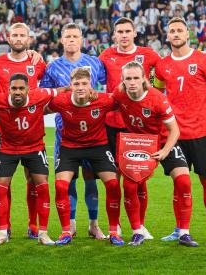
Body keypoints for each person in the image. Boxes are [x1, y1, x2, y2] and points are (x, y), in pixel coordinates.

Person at [154, 17, 206, 244]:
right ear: (167, 37)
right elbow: (157, 96)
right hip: (175, 135)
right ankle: (180, 229)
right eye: (171, 31)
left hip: (202, 133)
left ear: (187, 35)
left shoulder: (203, 60)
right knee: (181, 182)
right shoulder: (162, 66)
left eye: (179, 31)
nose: (175, 34)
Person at [40, 22, 107, 239]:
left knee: (90, 178)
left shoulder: (95, 63)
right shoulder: (52, 67)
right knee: (67, 180)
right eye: (67, 36)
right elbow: (44, 95)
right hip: (64, 134)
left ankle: (94, 224)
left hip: (92, 134)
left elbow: (109, 85)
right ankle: (70, 224)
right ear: (61, 40)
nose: (71, 40)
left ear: (82, 40)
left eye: (75, 36)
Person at [114, 62, 193, 246]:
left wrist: (165, 151)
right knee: (130, 186)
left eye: (135, 78)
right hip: (138, 145)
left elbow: (175, 130)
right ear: (123, 80)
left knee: (184, 181)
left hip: (165, 142)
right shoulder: (120, 94)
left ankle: (184, 233)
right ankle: (137, 231)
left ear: (143, 79)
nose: (132, 82)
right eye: (128, 78)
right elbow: (105, 104)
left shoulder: (157, 98)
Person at [98, 17, 161, 239]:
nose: (124, 35)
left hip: (137, 129)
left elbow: (162, 78)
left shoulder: (149, 55)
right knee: (113, 180)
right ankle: (114, 227)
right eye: (119, 32)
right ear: (114, 35)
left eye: (127, 31)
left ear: (135, 33)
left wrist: (153, 92)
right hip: (111, 126)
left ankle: (140, 225)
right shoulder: (105, 56)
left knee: (138, 179)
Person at [47, 68, 123, 246]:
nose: (80, 87)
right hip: (70, 147)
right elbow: (39, 108)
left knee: (112, 184)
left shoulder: (104, 100)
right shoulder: (61, 101)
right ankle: (66, 231)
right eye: (76, 84)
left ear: (92, 86)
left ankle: (113, 231)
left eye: (84, 84)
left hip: (97, 146)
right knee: (60, 185)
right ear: (70, 86)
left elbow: (125, 101)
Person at [0, 22, 46, 239]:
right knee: (4, 180)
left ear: (29, 39)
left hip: (31, 130)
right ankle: (6, 227)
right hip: (5, 130)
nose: (18, 39)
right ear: (8, 38)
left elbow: (44, 93)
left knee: (33, 179)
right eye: (15, 35)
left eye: (22, 35)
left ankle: (33, 225)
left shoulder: (37, 62)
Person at [0, 73, 56, 246]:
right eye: (14, 88)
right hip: (8, 148)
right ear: (8, 90)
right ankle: (2, 232)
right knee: (0, 187)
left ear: (28, 89)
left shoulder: (39, 95)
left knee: (43, 187)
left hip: (35, 147)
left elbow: (59, 91)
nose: (17, 92)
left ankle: (42, 232)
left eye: (21, 88)